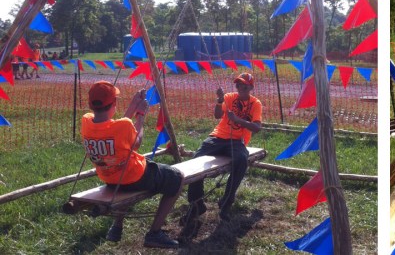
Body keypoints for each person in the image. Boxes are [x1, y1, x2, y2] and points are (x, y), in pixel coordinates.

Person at [80, 81, 182, 249]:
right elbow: (136, 141)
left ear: (91, 104)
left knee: (124, 184)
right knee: (177, 178)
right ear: (114, 104)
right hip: (134, 177)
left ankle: (117, 225)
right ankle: (154, 233)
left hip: (109, 177)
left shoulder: (87, 121)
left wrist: (134, 104)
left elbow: (116, 127)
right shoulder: (124, 126)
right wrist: (141, 115)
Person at [184, 73, 262, 223]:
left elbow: (257, 127)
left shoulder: (255, 103)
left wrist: (238, 120)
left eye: (244, 86)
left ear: (251, 87)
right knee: (195, 161)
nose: (241, 88)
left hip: (237, 141)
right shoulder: (229, 97)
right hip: (217, 138)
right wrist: (220, 100)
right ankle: (196, 204)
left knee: (241, 160)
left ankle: (226, 202)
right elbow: (217, 115)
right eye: (238, 85)